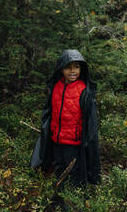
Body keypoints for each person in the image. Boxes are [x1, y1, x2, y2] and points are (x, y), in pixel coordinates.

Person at [30, 49, 101, 187]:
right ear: (61, 69)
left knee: (72, 174)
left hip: (73, 143)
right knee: (58, 169)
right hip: (56, 140)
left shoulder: (83, 91)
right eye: (68, 67)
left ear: (81, 69)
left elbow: (90, 124)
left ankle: (71, 201)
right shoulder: (56, 87)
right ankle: (59, 196)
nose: (73, 71)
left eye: (76, 67)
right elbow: (49, 114)